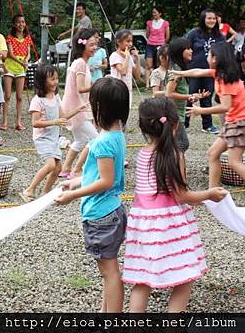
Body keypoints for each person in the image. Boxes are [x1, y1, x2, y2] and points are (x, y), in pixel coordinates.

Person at [123, 97, 226, 312]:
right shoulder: (175, 155)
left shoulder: (142, 154)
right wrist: (209, 194)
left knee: (142, 281)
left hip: (143, 225)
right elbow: (182, 196)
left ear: (144, 127)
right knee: (184, 278)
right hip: (169, 226)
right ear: (175, 125)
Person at [55, 77, 130, 313]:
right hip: (113, 210)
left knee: (110, 273)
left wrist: (73, 195)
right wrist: (76, 181)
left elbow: (106, 181)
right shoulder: (116, 136)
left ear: (99, 108)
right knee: (109, 271)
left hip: (101, 214)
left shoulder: (101, 143)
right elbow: (103, 175)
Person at [172, 42, 245, 189]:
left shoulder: (225, 80)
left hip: (238, 124)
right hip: (233, 123)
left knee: (234, 161)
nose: (207, 56)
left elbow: (225, 106)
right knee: (213, 154)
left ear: (215, 59)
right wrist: (180, 73)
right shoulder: (218, 73)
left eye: (209, 54)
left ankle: (213, 191)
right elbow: (198, 72)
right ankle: (213, 192)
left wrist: (200, 111)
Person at [21, 64, 87, 200]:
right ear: (42, 81)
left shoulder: (56, 97)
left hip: (53, 138)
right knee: (51, 165)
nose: (56, 82)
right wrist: (54, 122)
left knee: (57, 168)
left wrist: (78, 109)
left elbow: (63, 117)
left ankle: (45, 193)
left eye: (57, 78)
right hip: (42, 138)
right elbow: (35, 123)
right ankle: (29, 190)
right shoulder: (37, 101)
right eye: (52, 79)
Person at [59, 29, 99, 179]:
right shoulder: (81, 64)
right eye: (91, 45)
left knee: (80, 140)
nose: (94, 47)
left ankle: (66, 169)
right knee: (96, 140)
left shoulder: (79, 63)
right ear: (83, 46)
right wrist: (98, 84)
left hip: (74, 107)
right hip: (77, 109)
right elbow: (81, 88)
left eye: (95, 44)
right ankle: (77, 169)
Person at [165, 38, 209, 153]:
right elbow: (168, 93)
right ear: (179, 51)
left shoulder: (179, 68)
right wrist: (188, 96)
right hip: (173, 114)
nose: (192, 51)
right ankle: (174, 169)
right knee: (181, 144)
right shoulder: (176, 70)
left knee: (178, 145)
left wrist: (193, 96)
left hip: (178, 113)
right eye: (188, 49)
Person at [186, 9, 225, 134]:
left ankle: (207, 125)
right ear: (203, 19)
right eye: (209, 18)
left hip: (211, 71)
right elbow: (185, 48)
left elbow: (224, 53)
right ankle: (184, 124)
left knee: (207, 97)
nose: (212, 20)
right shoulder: (194, 33)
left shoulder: (219, 36)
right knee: (191, 96)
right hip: (195, 70)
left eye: (214, 18)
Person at [3, 14, 33, 131]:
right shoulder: (10, 37)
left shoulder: (27, 38)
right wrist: (22, 63)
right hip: (10, 66)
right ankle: (5, 121)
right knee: (8, 95)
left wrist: (26, 60)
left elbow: (28, 53)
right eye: (19, 22)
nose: (21, 24)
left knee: (20, 97)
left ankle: (18, 122)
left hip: (21, 68)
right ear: (14, 24)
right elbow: (10, 54)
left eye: (23, 22)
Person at [109, 29, 142, 113]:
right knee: (117, 113)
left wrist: (137, 59)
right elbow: (123, 72)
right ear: (119, 42)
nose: (130, 44)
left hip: (128, 90)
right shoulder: (114, 56)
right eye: (127, 41)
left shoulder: (129, 57)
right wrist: (127, 57)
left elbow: (137, 76)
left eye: (131, 41)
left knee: (126, 114)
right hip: (117, 90)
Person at [144, 6, 170, 86]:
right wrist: (152, 40)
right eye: (153, 12)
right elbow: (147, 34)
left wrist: (162, 43)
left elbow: (167, 35)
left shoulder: (165, 23)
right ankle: (147, 84)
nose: (153, 14)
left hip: (160, 45)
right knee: (149, 65)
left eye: (155, 12)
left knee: (160, 64)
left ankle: (161, 83)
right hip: (150, 45)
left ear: (160, 13)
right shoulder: (149, 23)